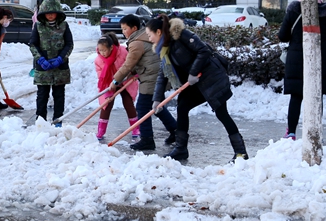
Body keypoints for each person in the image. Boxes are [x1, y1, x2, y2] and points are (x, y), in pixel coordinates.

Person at [147, 14, 247, 161]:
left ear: (158, 32)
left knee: (221, 113)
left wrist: (193, 72)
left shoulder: (181, 35)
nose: (149, 39)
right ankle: (181, 149)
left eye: (150, 35)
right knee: (182, 107)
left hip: (211, 78)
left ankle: (241, 152)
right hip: (194, 83)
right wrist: (157, 99)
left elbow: (203, 50)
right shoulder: (164, 48)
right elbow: (163, 74)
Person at [279, 0, 326, 140]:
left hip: (297, 59)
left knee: (296, 96)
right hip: (320, 58)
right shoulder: (324, 10)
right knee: (316, 95)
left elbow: (283, 35)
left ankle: (291, 132)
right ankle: (314, 131)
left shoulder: (294, 9)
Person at [110, 14, 177, 151]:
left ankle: (147, 139)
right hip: (156, 75)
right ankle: (176, 131)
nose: (123, 32)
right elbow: (138, 62)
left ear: (134, 28)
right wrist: (133, 73)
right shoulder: (144, 37)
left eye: (124, 29)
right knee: (157, 106)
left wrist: (116, 80)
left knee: (142, 108)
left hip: (152, 78)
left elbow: (128, 64)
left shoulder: (137, 42)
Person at [29, 0, 73, 123]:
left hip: (60, 68)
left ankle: (58, 120)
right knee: (42, 95)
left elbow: (69, 44)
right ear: (43, 14)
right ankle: (40, 120)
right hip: (43, 68)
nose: (50, 16)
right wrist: (40, 59)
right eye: (48, 13)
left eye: (53, 13)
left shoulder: (64, 26)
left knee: (59, 95)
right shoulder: (38, 27)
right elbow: (33, 44)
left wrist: (61, 58)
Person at [94, 33, 139, 141]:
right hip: (110, 84)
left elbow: (130, 64)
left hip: (125, 81)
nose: (102, 53)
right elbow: (101, 75)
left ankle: (136, 128)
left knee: (128, 103)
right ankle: (101, 130)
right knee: (106, 105)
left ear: (111, 47)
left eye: (104, 50)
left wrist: (133, 73)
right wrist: (111, 85)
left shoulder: (122, 52)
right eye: (100, 50)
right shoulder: (98, 60)